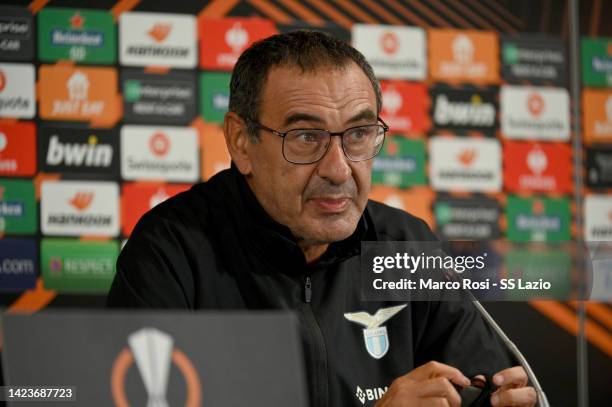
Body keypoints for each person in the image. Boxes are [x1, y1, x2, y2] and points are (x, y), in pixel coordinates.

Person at [107, 31, 537, 407]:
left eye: (358, 134)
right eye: (306, 137)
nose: (338, 168)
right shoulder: (171, 250)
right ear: (241, 142)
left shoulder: (404, 245)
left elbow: (476, 382)